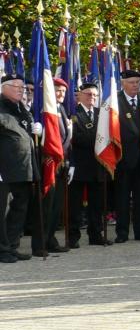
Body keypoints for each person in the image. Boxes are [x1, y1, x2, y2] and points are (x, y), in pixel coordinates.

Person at [34, 77, 74, 254]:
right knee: (46, 206)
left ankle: (50, 239)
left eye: (64, 91)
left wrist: (70, 162)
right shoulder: (44, 111)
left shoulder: (62, 109)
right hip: (49, 164)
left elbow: (66, 139)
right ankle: (39, 244)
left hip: (62, 164)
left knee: (56, 206)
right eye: (58, 90)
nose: (61, 94)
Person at [67, 80, 110, 247]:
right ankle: (73, 236)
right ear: (80, 96)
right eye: (88, 94)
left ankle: (95, 235)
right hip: (79, 165)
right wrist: (97, 141)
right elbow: (75, 138)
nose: (91, 97)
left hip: (98, 165)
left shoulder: (102, 113)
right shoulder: (73, 114)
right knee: (75, 204)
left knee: (97, 204)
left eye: (94, 95)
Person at [0, 74, 37, 262]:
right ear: (3, 87)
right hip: (4, 171)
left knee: (19, 208)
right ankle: (2, 249)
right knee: (3, 210)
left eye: (22, 87)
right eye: (16, 86)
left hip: (23, 168)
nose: (21, 90)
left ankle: (12, 246)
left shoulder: (21, 108)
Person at [115, 68, 140, 242]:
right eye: (131, 82)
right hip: (123, 157)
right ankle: (122, 233)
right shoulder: (115, 101)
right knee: (122, 197)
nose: (135, 85)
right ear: (123, 84)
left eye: (138, 82)